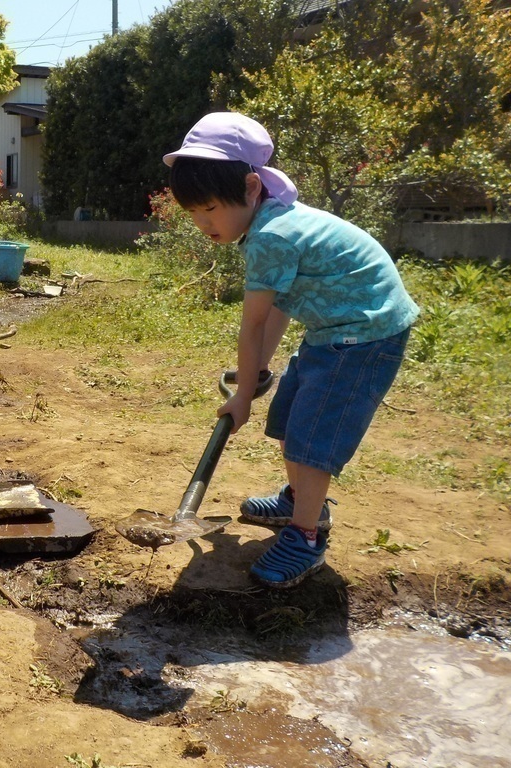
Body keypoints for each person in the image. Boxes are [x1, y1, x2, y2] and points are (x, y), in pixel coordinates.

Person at [163, 112, 419, 589]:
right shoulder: (274, 221)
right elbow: (280, 307)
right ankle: (299, 499)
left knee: (312, 436)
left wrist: (241, 397)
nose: (202, 223)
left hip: (364, 334)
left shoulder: (272, 236)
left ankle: (306, 533)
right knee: (289, 418)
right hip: (333, 330)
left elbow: (254, 321)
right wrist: (256, 370)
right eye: (193, 212)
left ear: (251, 187)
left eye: (211, 209)